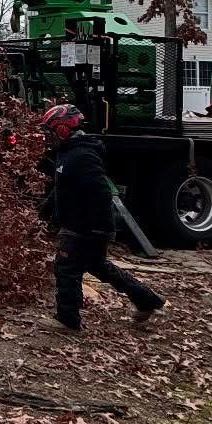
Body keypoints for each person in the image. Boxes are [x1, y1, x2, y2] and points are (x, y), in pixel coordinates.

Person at [40, 103, 165, 331]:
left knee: (66, 266)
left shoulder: (82, 156)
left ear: (63, 129)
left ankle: (67, 320)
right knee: (99, 267)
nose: (48, 138)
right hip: (80, 223)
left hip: (85, 226)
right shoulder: (66, 154)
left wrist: (97, 228)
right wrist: (44, 212)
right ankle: (148, 300)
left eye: (51, 132)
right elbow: (61, 188)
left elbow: (101, 192)